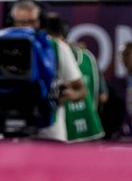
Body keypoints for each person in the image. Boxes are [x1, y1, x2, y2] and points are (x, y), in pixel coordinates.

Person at [0, 0, 87, 141]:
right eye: (21, 22)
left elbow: (81, 90)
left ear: (41, 21)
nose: (26, 27)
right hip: (5, 129)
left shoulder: (56, 48)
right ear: (11, 22)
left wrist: (65, 95)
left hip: (48, 132)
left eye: (32, 22)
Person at [43, 15, 104, 143]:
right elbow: (102, 96)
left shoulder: (44, 57)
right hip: (91, 129)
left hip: (63, 135)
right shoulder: (88, 57)